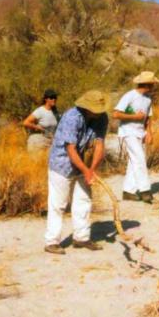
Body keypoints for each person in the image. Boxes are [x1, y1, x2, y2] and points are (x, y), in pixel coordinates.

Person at [44, 90, 108, 255]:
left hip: (83, 164)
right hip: (62, 164)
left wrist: (91, 170)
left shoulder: (102, 118)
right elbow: (70, 149)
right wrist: (86, 170)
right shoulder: (72, 117)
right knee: (58, 204)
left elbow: (99, 145)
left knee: (84, 200)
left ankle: (82, 237)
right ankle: (52, 242)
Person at [113, 71, 159, 203]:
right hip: (128, 132)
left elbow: (148, 117)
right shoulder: (129, 96)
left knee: (134, 161)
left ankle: (128, 191)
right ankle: (145, 190)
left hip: (140, 132)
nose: (154, 86)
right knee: (139, 158)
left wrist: (149, 132)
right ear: (148, 84)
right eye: (153, 83)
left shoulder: (148, 99)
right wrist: (134, 117)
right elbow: (116, 114)